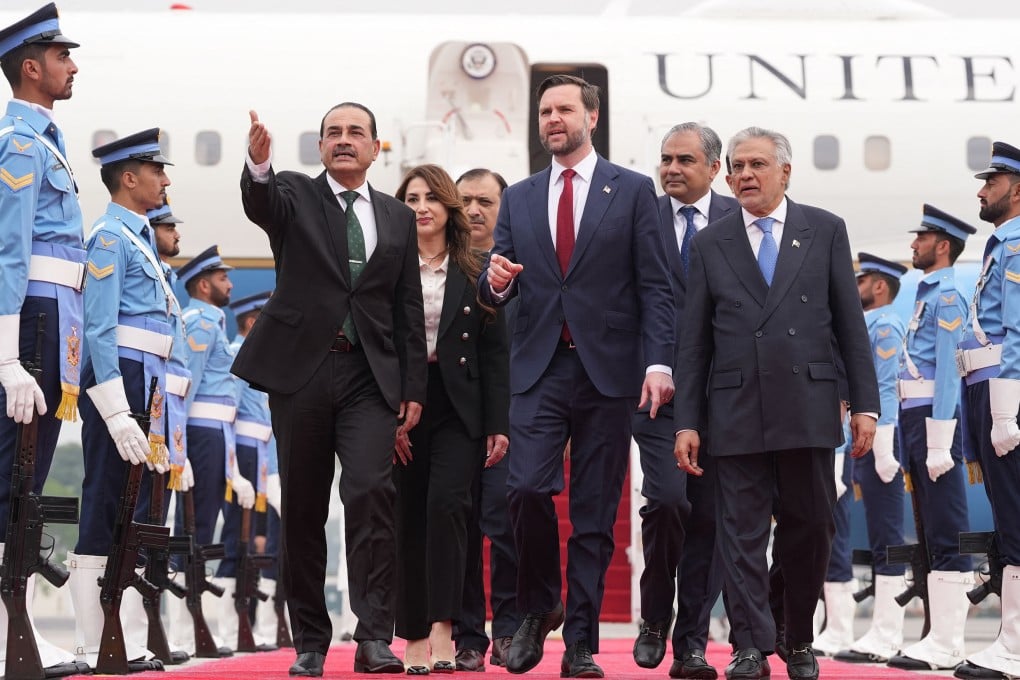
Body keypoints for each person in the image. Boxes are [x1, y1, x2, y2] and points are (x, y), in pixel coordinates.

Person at [479, 74, 675, 678]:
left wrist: (658, 361)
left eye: (564, 109)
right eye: (544, 111)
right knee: (526, 491)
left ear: (591, 115)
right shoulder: (518, 196)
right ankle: (542, 603)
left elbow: (657, 286)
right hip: (538, 368)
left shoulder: (635, 191)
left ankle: (582, 645)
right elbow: (500, 282)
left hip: (609, 374)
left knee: (594, 515)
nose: (553, 119)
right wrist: (497, 283)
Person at [673, 126, 879, 680]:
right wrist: (686, 421)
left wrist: (865, 403)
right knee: (739, 533)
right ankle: (748, 645)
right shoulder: (712, 241)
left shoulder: (824, 230)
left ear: (785, 172)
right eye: (737, 166)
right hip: (735, 407)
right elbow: (694, 341)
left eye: (757, 165)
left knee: (809, 528)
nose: (744, 175)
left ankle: (797, 634)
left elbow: (849, 325)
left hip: (807, 405)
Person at [237, 104, 427, 677]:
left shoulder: (396, 216)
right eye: (333, 134)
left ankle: (373, 638)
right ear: (320, 146)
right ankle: (311, 642)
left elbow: (407, 307)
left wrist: (413, 385)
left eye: (356, 134)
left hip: (369, 377)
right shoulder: (293, 194)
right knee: (302, 507)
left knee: (372, 495)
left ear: (376, 148)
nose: (344, 142)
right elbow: (260, 202)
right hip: (303, 373)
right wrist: (259, 162)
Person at [392, 164, 510, 674]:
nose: (421, 207)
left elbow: (494, 352)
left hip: (459, 405)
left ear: (448, 208)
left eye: (431, 198)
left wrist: (497, 423)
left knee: (448, 509)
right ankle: (412, 631)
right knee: (408, 518)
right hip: (402, 405)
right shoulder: (388, 267)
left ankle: (445, 627)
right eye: (411, 198)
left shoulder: (473, 269)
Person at [630, 122, 737, 680]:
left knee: (710, 520)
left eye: (685, 160)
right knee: (669, 503)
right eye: (665, 159)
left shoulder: (737, 221)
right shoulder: (638, 215)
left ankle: (691, 642)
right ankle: (654, 617)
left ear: (713, 168)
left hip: (723, 397)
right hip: (656, 394)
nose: (671, 169)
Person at [69, 128, 173, 670]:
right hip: (124, 377)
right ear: (129, 178)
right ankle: (92, 639)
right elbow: (99, 327)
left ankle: (120, 635)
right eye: (158, 171)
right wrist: (113, 405)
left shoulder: (138, 239)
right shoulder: (109, 237)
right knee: (107, 495)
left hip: (147, 379)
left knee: (136, 507)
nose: (166, 180)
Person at [0, 4, 83, 674]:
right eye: (62, 57)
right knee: (12, 476)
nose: (73, 65)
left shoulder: (46, 140)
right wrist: (6, 355)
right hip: (31, 321)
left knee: (24, 482)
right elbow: (8, 251)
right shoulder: (21, 143)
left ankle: (13, 629)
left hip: (54, 324)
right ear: (32, 68)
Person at [886, 205, 976, 672]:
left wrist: (941, 438)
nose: (913, 244)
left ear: (942, 245)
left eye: (921, 238)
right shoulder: (927, 293)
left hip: (933, 419)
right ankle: (939, 637)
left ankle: (948, 641)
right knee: (929, 526)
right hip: (913, 415)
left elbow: (946, 374)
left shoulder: (948, 296)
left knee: (946, 525)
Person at [954, 141, 1020, 680]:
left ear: (1017, 189)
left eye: (991, 182)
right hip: (987, 387)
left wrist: (1006, 409)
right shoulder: (1002, 245)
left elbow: (1017, 332)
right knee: (1007, 517)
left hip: (1005, 390)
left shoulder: (1018, 245)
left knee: (1017, 519)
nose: (982, 190)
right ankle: (1010, 641)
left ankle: (1016, 648)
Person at [452, 167, 520, 673]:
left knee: (506, 525)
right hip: (452, 420)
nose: (474, 210)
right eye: (466, 201)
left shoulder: (524, 268)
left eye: (486, 201)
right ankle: (468, 636)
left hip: (512, 419)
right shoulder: (440, 266)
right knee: (461, 529)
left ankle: (512, 628)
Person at [176, 244, 257, 651]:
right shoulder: (201, 322)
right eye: (223, 278)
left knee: (203, 529)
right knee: (194, 528)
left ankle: (192, 622)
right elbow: (185, 388)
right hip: (200, 434)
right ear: (204, 285)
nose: (230, 284)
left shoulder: (211, 321)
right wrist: (180, 448)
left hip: (214, 434)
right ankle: (181, 627)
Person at [832, 253, 907, 665]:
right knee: (878, 534)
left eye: (863, 280)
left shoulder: (885, 324)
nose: (855, 285)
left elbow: (886, 383)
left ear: (879, 286)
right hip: (865, 439)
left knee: (888, 535)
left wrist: (884, 440)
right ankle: (880, 628)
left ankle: (889, 630)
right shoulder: (865, 325)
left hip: (882, 438)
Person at [226, 290, 282, 651]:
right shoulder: (236, 354)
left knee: (275, 540)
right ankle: (233, 626)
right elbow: (229, 413)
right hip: (244, 455)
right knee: (238, 539)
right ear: (250, 322)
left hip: (264, 458)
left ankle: (268, 622)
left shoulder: (265, 359)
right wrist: (232, 468)